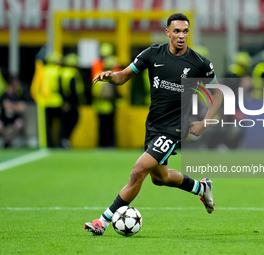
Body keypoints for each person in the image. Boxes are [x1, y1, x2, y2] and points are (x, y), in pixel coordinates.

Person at [84, 13, 223, 236]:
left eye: (185, 31)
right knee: (160, 178)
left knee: (139, 170)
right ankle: (201, 187)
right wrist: (110, 76)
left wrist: (205, 122)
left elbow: (218, 93)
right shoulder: (153, 54)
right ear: (167, 32)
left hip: (175, 127)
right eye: (176, 31)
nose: (181, 36)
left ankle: (103, 221)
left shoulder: (198, 63)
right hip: (154, 126)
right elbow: (123, 76)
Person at [60, 53, 85, 148]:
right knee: (72, 120)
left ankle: (63, 140)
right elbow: (74, 89)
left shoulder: (62, 72)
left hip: (63, 101)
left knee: (64, 122)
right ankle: (65, 140)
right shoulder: (73, 73)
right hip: (71, 102)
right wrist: (75, 101)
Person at [0, 79, 26, 147]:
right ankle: (5, 140)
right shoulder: (3, 96)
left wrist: (12, 105)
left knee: (19, 124)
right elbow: (5, 104)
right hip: (3, 118)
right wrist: (15, 106)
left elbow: (22, 106)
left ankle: (11, 141)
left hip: (14, 118)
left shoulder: (16, 96)